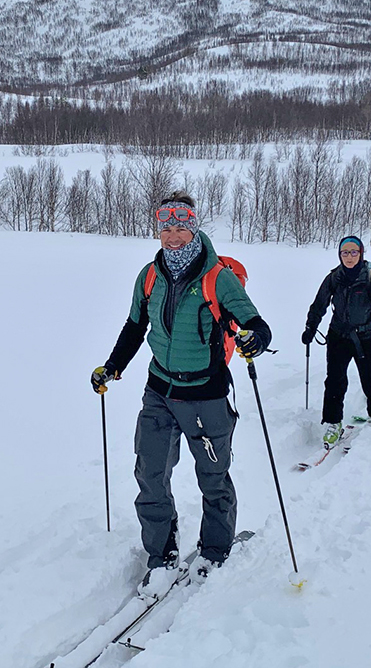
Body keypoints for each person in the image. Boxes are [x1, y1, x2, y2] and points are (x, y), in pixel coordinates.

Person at [91, 191, 271, 594]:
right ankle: (161, 555)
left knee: (213, 476)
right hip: (159, 390)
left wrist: (254, 339)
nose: (173, 236)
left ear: (194, 228)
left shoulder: (217, 277)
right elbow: (136, 326)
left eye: (181, 228)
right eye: (166, 228)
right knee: (150, 474)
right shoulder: (149, 275)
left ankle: (215, 550)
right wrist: (113, 366)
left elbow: (256, 322)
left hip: (206, 395)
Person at [302, 236, 371, 448]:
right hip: (339, 335)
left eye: (353, 252)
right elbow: (319, 304)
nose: (349, 256)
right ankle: (333, 422)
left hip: (367, 335)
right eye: (345, 252)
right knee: (335, 380)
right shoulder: (334, 277)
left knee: (370, 379)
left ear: (361, 253)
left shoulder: (370, 275)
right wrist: (311, 327)